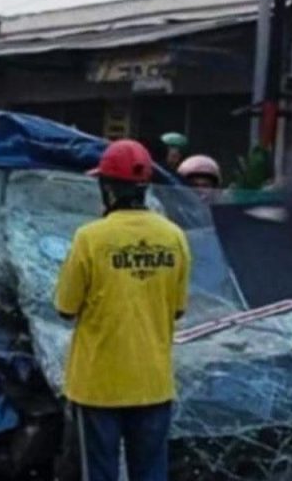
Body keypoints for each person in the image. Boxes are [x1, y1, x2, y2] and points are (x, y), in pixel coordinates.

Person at [55, 139, 191, 481]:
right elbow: (177, 310)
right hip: (153, 384)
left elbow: (65, 308)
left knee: (99, 472)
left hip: (98, 386)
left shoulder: (90, 238)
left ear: (107, 188)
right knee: (150, 473)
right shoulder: (174, 236)